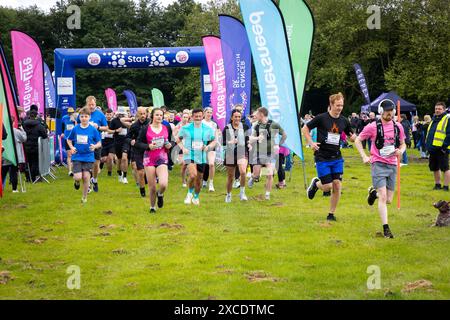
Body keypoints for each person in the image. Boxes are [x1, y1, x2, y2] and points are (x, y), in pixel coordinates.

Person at [354, 99, 406, 238]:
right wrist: (364, 156)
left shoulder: (398, 127)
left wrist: (401, 150)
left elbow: (403, 143)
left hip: (392, 164)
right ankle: (386, 228)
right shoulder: (372, 126)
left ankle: (373, 193)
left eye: (391, 111)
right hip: (378, 163)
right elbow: (358, 140)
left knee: (388, 199)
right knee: (383, 197)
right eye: (387, 112)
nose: (390, 114)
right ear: (381, 112)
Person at [302, 92, 356, 221]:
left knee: (337, 185)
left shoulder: (344, 120)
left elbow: (351, 135)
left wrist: (355, 138)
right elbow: (305, 129)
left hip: (337, 157)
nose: (340, 108)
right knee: (327, 186)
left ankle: (331, 214)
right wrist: (311, 143)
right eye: (337, 105)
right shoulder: (321, 118)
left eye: (341, 105)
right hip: (322, 156)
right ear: (331, 104)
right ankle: (316, 184)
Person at [135, 108, 172, 213]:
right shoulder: (146, 128)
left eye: (161, 115)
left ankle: (160, 194)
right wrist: (148, 146)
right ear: (152, 116)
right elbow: (138, 143)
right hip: (149, 158)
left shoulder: (166, 127)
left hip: (162, 158)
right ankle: (152, 207)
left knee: (163, 184)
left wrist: (169, 145)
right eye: (157, 115)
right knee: (152, 187)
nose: (159, 117)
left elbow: (170, 141)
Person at [178, 108, 216, 205]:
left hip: (201, 156)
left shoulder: (208, 129)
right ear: (192, 117)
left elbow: (214, 141)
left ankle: (196, 197)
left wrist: (207, 147)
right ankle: (189, 193)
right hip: (189, 154)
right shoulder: (186, 128)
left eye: (200, 116)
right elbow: (178, 139)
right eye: (196, 116)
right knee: (192, 175)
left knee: (199, 180)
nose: (198, 118)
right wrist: (183, 148)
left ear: (202, 116)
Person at [248, 107, 287, 200]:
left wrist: (278, 144)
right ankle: (253, 178)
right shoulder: (256, 126)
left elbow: (284, 134)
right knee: (256, 174)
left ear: (261, 114)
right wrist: (256, 139)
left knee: (270, 174)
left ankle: (267, 194)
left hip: (270, 153)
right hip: (258, 152)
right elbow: (251, 138)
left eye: (257, 114)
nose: (255, 115)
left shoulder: (273, 124)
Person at [67, 107, 102, 203]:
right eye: (82, 116)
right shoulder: (75, 128)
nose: (84, 118)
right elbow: (69, 139)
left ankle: (84, 197)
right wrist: (72, 147)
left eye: (86, 116)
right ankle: (76, 181)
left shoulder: (93, 129)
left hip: (88, 157)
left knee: (86, 177)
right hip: (77, 156)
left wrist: (94, 146)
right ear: (79, 117)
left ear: (89, 117)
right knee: (78, 177)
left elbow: (99, 143)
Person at [80, 96, 108, 192]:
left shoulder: (100, 114)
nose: (91, 106)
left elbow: (106, 127)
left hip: (96, 143)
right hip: (84, 143)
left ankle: (94, 180)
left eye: (93, 104)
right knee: (86, 164)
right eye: (89, 105)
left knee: (96, 164)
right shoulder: (82, 114)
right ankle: (87, 186)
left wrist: (98, 127)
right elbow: (77, 126)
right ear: (86, 104)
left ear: (95, 104)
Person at [222, 109, 250, 202]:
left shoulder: (245, 127)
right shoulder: (227, 128)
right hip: (230, 153)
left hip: (242, 151)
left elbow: (248, 139)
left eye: (239, 116)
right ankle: (228, 195)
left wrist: (249, 144)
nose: (237, 118)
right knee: (230, 177)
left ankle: (242, 193)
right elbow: (223, 142)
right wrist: (230, 142)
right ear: (232, 117)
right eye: (236, 116)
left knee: (243, 172)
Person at [425, 102, 450, 191]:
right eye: (436, 109)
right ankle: (437, 184)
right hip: (433, 148)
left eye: (439, 109)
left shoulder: (447, 118)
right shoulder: (434, 119)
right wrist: (427, 146)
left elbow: (449, 134)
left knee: (445, 168)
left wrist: (444, 147)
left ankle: (446, 186)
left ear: (444, 109)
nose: (437, 110)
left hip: (442, 148)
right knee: (434, 167)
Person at [128, 107, 149, 197]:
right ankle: (142, 191)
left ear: (147, 114)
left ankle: (145, 180)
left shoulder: (150, 123)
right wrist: (131, 141)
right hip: (138, 150)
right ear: (137, 115)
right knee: (140, 172)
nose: (143, 116)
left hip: (149, 150)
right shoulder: (134, 125)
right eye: (140, 114)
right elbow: (127, 137)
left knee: (147, 171)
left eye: (144, 114)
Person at [23, 107, 48, 182]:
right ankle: (34, 178)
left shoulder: (24, 124)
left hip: (26, 146)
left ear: (29, 115)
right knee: (35, 162)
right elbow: (44, 135)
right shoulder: (39, 125)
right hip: (36, 146)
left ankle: (28, 177)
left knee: (28, 162)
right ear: (36, 116)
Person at [109, 110, 130, 184]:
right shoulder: (114, 121)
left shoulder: (128, 120)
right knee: (119, 159)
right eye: (120, 114)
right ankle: (119, 173)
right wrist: (116, 130)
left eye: (122, 114)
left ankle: (125, 176)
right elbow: (109, 131)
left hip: (126, 141)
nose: (121, 115)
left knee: (125, 158)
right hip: (117, 141)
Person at [201, 107, 219, 192]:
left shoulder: (214, 124)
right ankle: (203, 180)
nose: (209, 114)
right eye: (207, 112)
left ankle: (211, 183)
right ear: (204, 113)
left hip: (211, 144)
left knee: (211, 164)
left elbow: (216, 136)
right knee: (204, 164)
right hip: (201, 144)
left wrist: (215, 143)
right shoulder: (200, 123)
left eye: (211, 112)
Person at [173, 111, 190, 187]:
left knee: (188, 164)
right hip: (180, 146)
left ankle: (188, 178)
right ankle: (183, 180)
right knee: (183, 164)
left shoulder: (190, 126)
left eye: (187, 117)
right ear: (181, 118)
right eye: (184, 117)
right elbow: (175, 137)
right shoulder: (178, 127)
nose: (185, 119)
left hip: (189, 146)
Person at [61, 107, 77, 176]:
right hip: (67, 138)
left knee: (74, 154)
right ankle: (70, 171)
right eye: (69, 113)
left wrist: (74, 121)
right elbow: (62, 126)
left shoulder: (76, 118)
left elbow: (77, 127)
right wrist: (62, 132)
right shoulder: (64, 117)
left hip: (75, 138)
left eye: (71, 113)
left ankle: (74, 169)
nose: (70, 114)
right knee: (69, 154)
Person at [100, 109, 115, 176]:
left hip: (112, 142)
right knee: (104, 159)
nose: (108, 116)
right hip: (104, 141)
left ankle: (109, 173)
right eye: (107, 114)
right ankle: (101, 164)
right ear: (105, 115)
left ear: (112, 114)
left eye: (110, 114)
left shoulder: (115, 122)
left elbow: (118, 130)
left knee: (110, 157)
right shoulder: (103, 122)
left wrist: (112, 131)